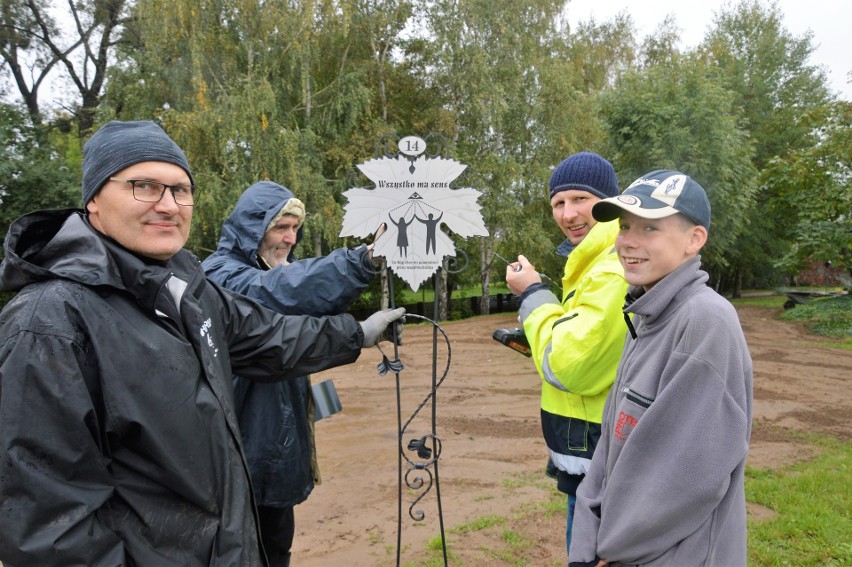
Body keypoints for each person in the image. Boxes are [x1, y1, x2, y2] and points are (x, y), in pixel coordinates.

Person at [0, 120, 404, 566]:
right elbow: (49, 526)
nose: (169, 205)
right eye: (145, 186)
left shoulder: (186, 289)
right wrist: (362, 260)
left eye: (180, 190)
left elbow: (267, 335)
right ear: (94, 197)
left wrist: (355, 334)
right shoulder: (50, 323)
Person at [568, 170, 753, 566]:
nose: (628, 242)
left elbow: (681, 480)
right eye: (624, 226)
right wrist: (585, 545)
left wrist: (613, 549)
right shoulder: (647, 315)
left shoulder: (704, 322)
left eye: (650, 227)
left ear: (694, 239)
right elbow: (611, 445)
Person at [202, 180, 382, 566]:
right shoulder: (221, 276)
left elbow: (301, 304)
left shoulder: (272, 271)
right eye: (280, 227)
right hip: (237, 465)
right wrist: (364, 259)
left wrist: (362, 330)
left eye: (295, 229)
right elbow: (278, 291)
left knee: (276, 551)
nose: (290, 238)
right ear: (252, 229)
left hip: (275, 454)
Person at [504, 151, 628, 557]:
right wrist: (538, 340)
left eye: (580, 199)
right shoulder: (591, 264)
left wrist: (535, 294)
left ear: (608, 203)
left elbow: (568, 365)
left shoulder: (610, 269)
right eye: (558, 203)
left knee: (590, 553)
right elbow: (584, 345)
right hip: (587, 451)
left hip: (598, 455)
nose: (568, 213)